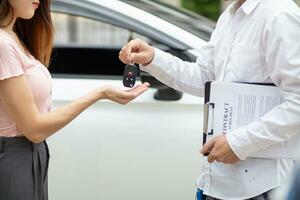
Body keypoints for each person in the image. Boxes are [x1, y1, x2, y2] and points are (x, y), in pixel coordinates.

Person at [119, 0, 300, 199]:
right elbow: (205, 77)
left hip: (260, 187)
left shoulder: (279, 14)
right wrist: (153, 58)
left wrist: (238, 143)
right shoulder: (230, 16)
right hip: (216, 182)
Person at [0, 0, 149, 199]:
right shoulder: (3, 43)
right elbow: (34, 129)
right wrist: (100, 93)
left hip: (30, 155)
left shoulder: (13, 37)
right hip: (14, 158)